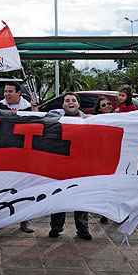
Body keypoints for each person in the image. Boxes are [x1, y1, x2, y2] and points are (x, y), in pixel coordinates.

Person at [0, 82, 36, 234]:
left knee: (24, 189)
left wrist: (36, 110)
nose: (6, 94)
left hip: (23, 155)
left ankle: (24, 221)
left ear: (19, 93)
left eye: (10, 91)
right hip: (2, 154)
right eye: (5, 91)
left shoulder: (29, 108)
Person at [49, 92, 92, 240]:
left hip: (81, 165)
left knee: (81, 198)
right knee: (58, 196)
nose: (70, 102)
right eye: (67, 100)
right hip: (60, 164)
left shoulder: (89, 120)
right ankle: (56, 228)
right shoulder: (55, 119)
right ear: (63, 105)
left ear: (78, 104)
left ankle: (83, 230)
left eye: (73, 100)